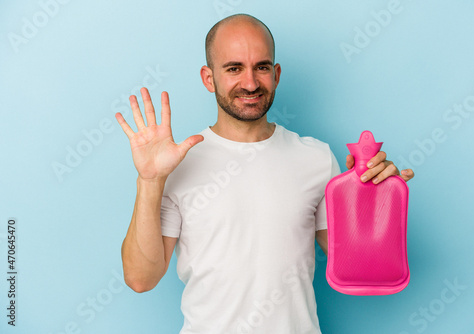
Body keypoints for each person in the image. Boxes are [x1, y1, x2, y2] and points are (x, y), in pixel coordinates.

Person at [115, 14, 414, 334]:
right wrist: (150, 180)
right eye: (233, 68)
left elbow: (359, 265)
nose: (250, 83)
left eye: (261, 67)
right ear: (208, 78)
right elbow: (140, 279)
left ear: (277, 73)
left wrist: (375, 197)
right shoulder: (179, 164)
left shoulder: (315, 158)